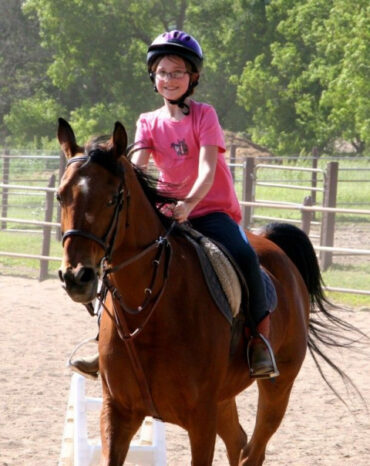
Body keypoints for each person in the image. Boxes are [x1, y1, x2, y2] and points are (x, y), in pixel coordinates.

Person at [70, 30, 279, 380]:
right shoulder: (147, 121)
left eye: (177, 72)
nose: (169, 79)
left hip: (210, 211)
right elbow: (139, 167)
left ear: (192, 77)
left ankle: (259, 341)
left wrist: (188, 203)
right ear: (153, 77)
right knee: (117, 261)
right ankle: (102, 340)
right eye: (163, 72)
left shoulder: (204, 116)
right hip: (166, 215)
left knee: (245, 257)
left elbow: (209, 168)